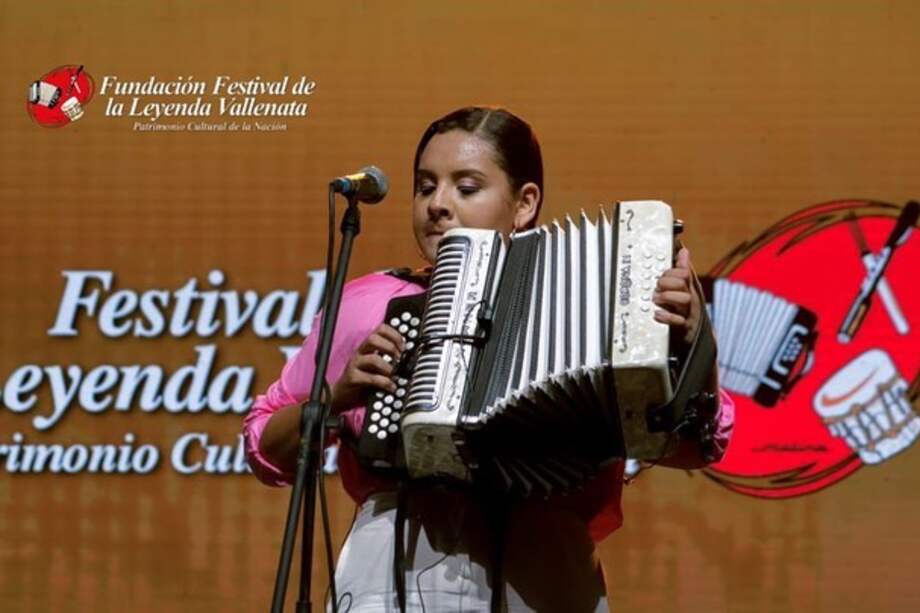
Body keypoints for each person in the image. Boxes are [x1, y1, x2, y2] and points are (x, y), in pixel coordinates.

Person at [243, 106, 734, 612]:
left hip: (548, 572)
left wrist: (694, 342)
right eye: (425, 186)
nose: (438, 204)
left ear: (524, 203)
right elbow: (262, 441)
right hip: (398, 563)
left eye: (466, 187)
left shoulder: (598, 302)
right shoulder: (366, 304)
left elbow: (696, 446)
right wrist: (335, 398)